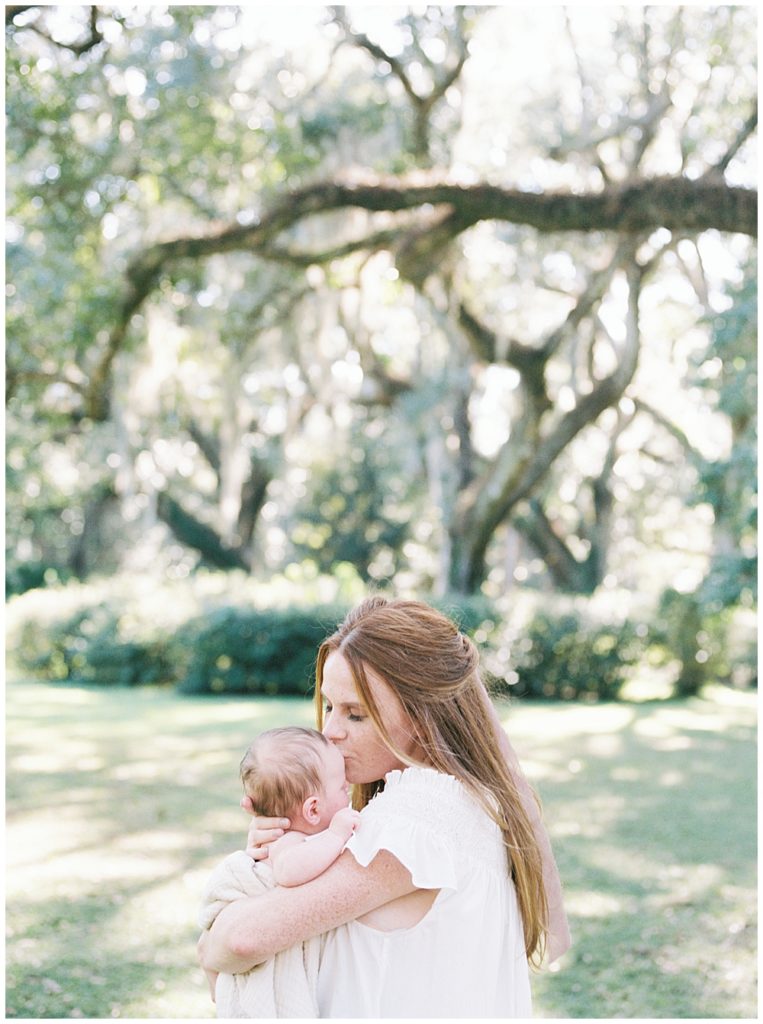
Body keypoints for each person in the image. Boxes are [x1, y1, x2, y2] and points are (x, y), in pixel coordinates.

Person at [199, 596, 571, 1018]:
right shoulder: (467, 803)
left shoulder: (418, 819)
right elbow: (553, 937)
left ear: (421, 715)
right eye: (328, 706)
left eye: (356, 715)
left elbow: (242, 941)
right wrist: (287, 852)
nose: (331, 732)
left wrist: (209, 943)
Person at [197, 727, 361, 1017]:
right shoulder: (290, 842)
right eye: (341, 789)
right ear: (312, 810)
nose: (347, 786)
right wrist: (336, 836)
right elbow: (287, 871)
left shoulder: (299, 836)